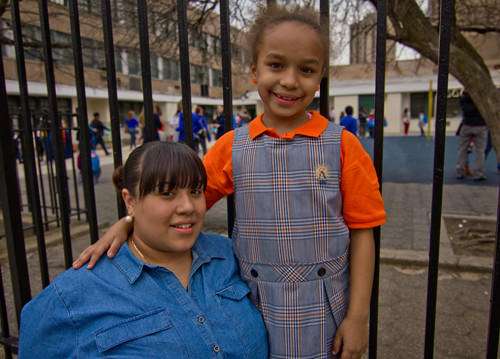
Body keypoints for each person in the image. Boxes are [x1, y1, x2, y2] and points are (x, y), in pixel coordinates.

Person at [73, 6, 385, 358]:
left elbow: (363, 234)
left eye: (307, 69)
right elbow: (182, 207)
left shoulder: (343, 147)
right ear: (254, 71)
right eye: (276, 65)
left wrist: (358, 317)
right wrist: (128, 223)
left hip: (324, 309)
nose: (290, 80)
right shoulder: (231, 148)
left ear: (320, 77)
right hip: (249, 305)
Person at [19, 141, 268, 358]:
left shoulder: (230, 256)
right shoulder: (75, 295)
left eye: (195, 191)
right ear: (130, 200)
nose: (188, 207)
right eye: (167, 193)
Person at [455, 91, 488, 181]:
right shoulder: (482, 98)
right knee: (480, 151)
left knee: (462, 149)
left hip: (467, 124)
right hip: (480, 125)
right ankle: (478, 173)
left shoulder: (463, 99)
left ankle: (460, 171)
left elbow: (466, 110)